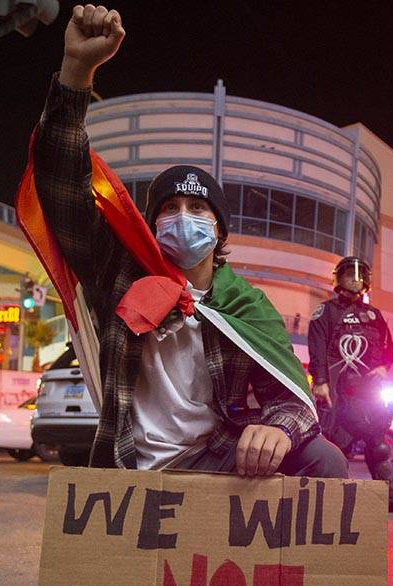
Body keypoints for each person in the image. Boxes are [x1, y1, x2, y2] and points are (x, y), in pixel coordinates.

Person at [21, 5, 346, 479]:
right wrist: (77, 71)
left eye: (198, 210)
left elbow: (290, 400)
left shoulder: (246, 306)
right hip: (129, 467)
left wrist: (278, 428)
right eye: (169, 209)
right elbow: (61, 185)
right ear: (151, 227)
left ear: (219, 231)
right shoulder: (117, 274)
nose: (183, 218)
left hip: (215, 459)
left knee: (325, 459)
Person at [307, 256, 393, 514]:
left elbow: (389, 348)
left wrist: (383, 367)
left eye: (359, 275)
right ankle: (329, 501)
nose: (355, 280)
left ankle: (388, 497)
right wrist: (320, 381)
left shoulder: (374, 315)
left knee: (378, 444)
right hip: (336, 392)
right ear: (338, 278)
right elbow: (317, 349)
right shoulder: (325, 312)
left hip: (368, 392)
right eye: (349, 275)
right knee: (336, 445)